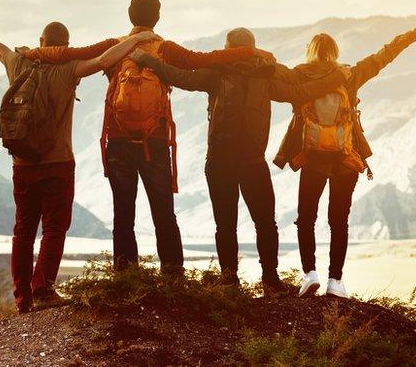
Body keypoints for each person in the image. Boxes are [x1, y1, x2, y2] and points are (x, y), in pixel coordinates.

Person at [17, 0, 258, 274]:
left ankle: (126, 276)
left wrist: (34, 53)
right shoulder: (164, 48)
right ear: (157, 17)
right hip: (154, 141)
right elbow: (205, 59)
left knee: (123, 215)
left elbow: (70, 54)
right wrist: (250, 52)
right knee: (164, 212)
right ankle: (172, 274)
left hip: (118, 141)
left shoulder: (114, 47)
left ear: (130, 15)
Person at [0, 0, 158, 313]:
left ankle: (23, 298)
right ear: (66, 45)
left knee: (23, 230)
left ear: (41, 42)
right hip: (57, 163)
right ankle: (43, 289)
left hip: (22, 164)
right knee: (54, 229)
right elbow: (103, 61)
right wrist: (137, 39)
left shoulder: (18, 63)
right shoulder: (69, 69)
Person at [132, 27, 350, 293]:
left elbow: (179, 77)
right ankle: (270, 279)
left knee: (225, 224)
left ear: (228, 48)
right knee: (265, 223)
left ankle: (229, 279)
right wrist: (337, 77)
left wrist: (147, 60)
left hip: (219, 160)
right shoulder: (264, 77)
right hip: (253, 162)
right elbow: (302, 92)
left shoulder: (216, 73)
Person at [273, 27, 416, 298]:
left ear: (310, 52)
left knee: (306, 218)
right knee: (339, 220)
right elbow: (382, 58)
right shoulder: (349, 74)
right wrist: (407, 37)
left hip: (312, 158)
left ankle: (310, 273)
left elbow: (271, 72)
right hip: (346, 159)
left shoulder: (298, 75)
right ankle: (335, 281)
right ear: (335, 53)